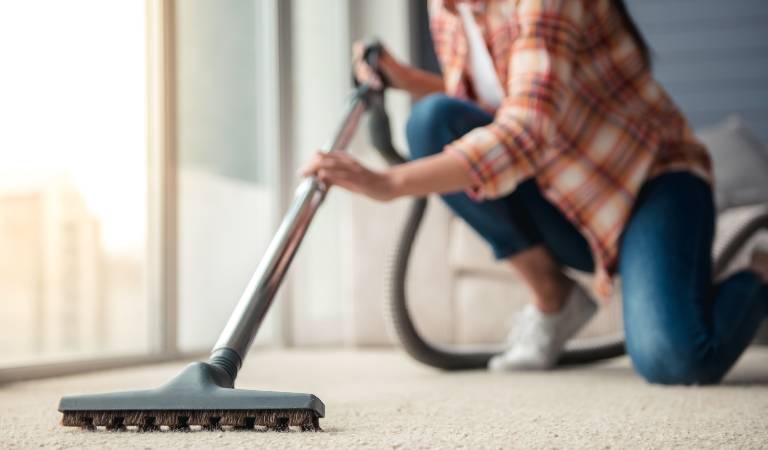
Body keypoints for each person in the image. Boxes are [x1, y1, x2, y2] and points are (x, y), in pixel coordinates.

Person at [302, 0, 768, 384]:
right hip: (567, 199)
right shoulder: (445, 8)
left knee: (677, 359)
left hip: (651, 184)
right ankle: (554, 298)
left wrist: (390, 183)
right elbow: (489, 100)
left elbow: (527, 130)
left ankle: (761, 270)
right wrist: (404, 78)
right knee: (432, 119)